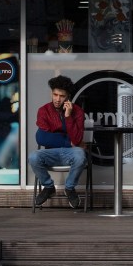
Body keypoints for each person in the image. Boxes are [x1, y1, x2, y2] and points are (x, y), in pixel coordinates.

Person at [28, 74, 86, 209]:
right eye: (55, 95)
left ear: (68, 97)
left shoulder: (77, 112)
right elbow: (41, 138)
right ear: (51, 93)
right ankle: (48, 187)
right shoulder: (44, 111)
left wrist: (68, 117)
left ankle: (70, 188)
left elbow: (77, 139)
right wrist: (68, 142)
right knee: (33, 157)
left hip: (71, 153)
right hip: (51, 153)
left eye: (62, 96)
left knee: (80, 154)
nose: (57, 99)